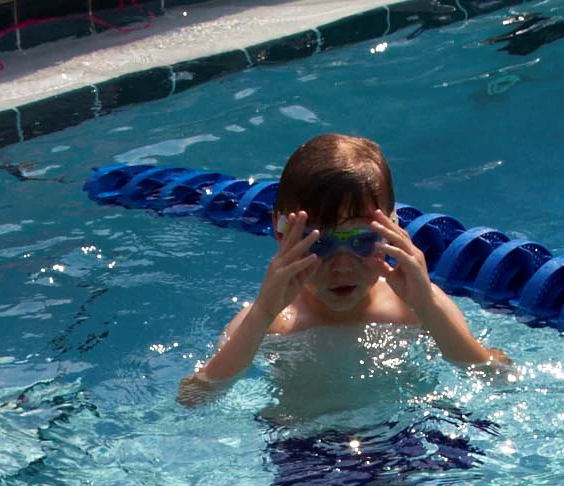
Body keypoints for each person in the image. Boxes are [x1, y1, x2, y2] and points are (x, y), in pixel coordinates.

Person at [180, 133, 509, 406]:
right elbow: (195, 397)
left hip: (405, 436)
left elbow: (498, 376)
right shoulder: (274, 319)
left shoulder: (415, 304)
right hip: (308, 449)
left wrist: (429, 307)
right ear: (282, 234)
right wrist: (263, 311)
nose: (341, 266)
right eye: (319, 244)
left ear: (391, 230)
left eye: (362, 241)